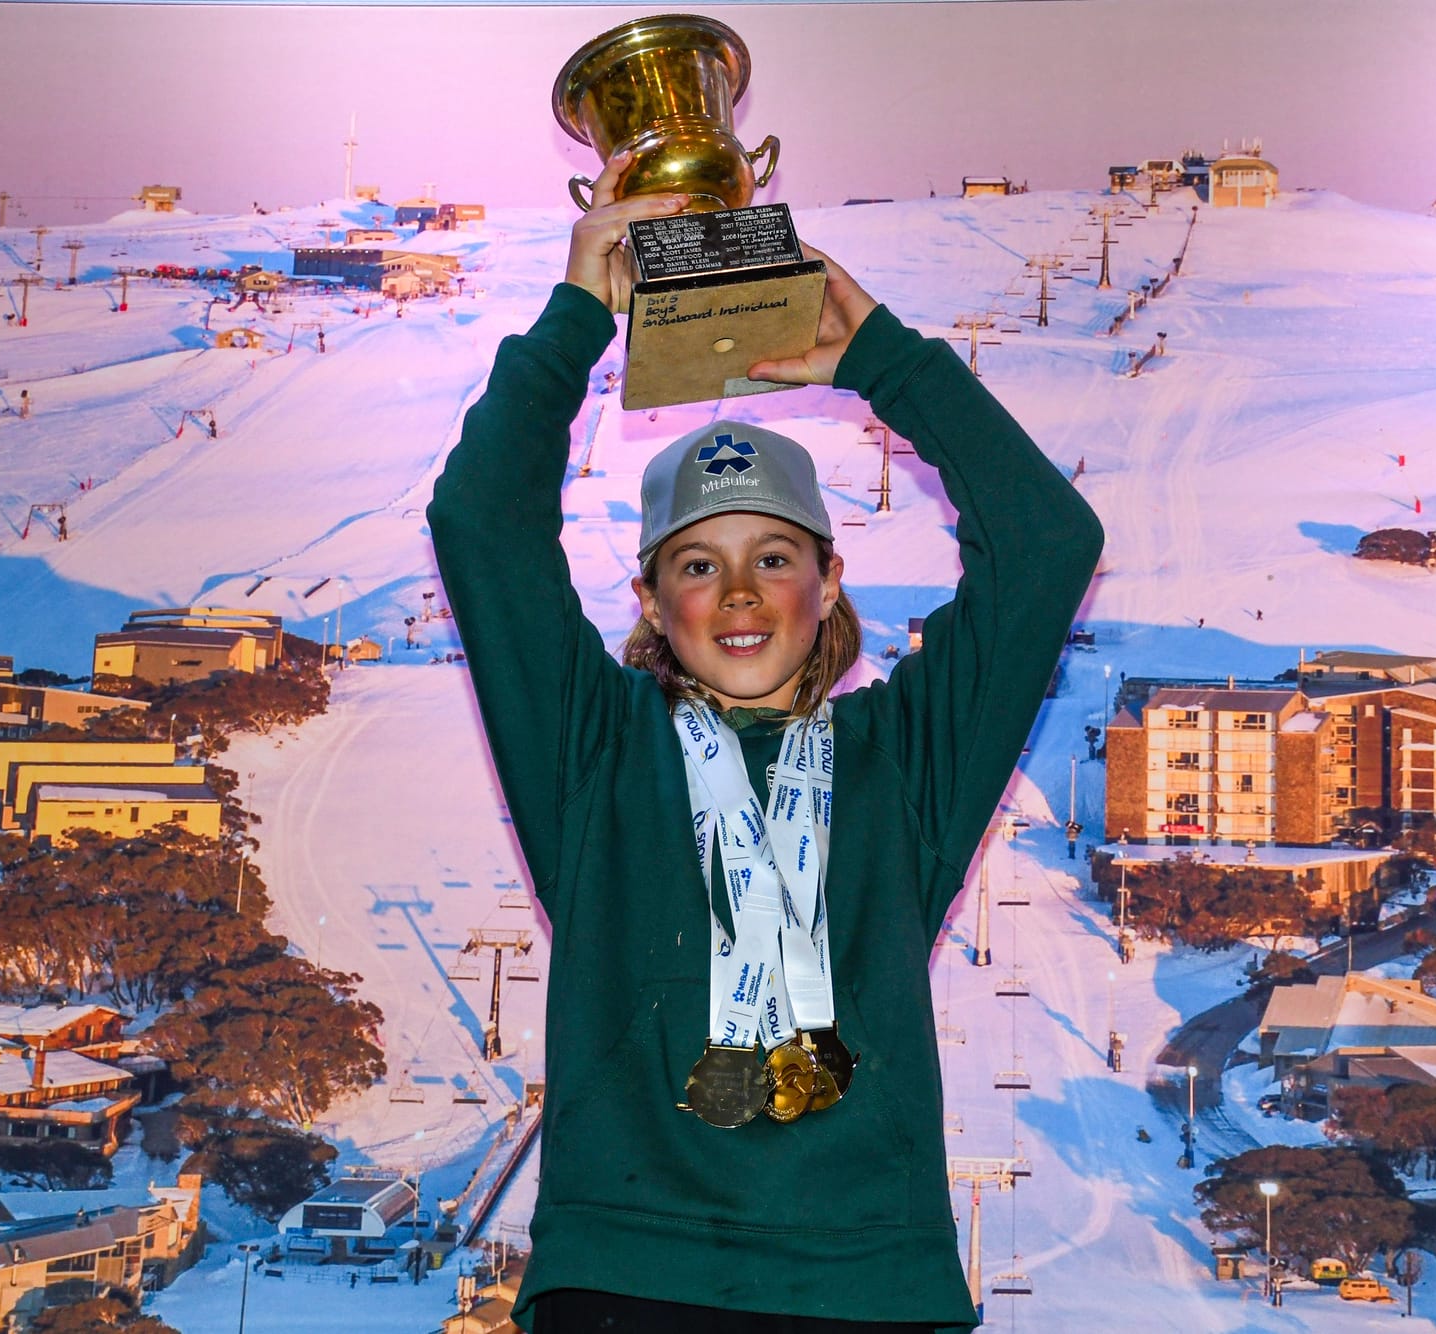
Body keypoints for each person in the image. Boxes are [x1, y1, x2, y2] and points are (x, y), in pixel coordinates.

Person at [427, 150, 1102, 1334]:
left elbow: (1046, 543)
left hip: (863, 1280)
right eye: (698, 563)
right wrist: (581, 307)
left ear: (827, 578)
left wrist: (885, 358)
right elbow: (480, 521)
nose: (738, 594)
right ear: (648, 597)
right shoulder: (594, 754)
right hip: (624, 1280)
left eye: (772, 556)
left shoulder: (904, 763)